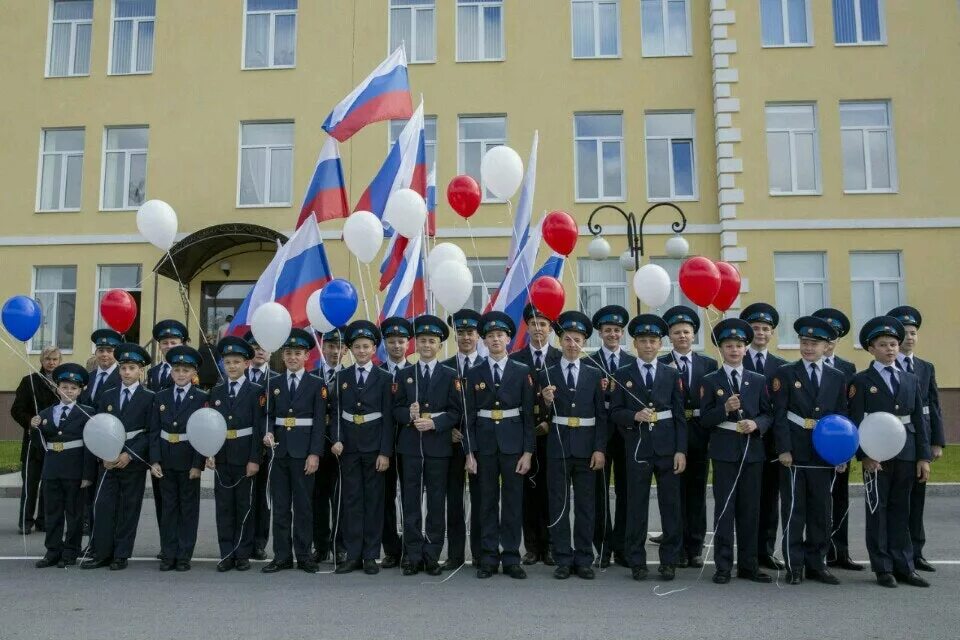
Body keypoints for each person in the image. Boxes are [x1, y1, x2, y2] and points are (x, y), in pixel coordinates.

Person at [849, 316, 930, 588]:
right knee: (878, 510)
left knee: (901, 509)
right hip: (876, 455)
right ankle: (883, 567)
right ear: (871, 349)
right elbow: (855, 420)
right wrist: (865, 455)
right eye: (883, 345)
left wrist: (923, 456)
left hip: (906, 451)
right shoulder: (861, 381)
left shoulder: (910, 379)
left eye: (894, 344)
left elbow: (919, 419)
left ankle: (905, 565)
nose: (890, 349)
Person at [609, 314, 687, 582]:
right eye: (643, 341)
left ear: (660, 343)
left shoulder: (671, 373)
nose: (648, 345)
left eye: (653, 340)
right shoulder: (622, 374)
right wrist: (633, 416)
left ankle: (669, 561)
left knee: (670, 507)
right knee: (636, 507)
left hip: (667, 448)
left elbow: (679, 416)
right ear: (635, 343)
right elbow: (615, 411)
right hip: (638, 448)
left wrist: (681, 451)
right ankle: (637, 561)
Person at [771, 317, 846, 585]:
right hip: (795, 453)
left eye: (815, 344)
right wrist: (784, 449)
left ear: (827, 347)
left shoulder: (838, 377)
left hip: (824, 454)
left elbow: (842, 419)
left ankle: (818, 563)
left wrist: (841, 454)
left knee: (820, 511)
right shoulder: (786, 373)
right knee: (794, 511)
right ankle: (795, 565)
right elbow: (779, 415)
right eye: (804, 342)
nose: (808, 348)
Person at [699, 318, 774, 584]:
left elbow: (768, 414)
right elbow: (704, 419)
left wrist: (756, 424)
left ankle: (748, 565)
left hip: (751, 453)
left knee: (750, 510)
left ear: (746, 349)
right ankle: (722, 566)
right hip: (724, 453)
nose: (734, 350)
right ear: (721, 350)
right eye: (729, 346)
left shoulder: (758, 379)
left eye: (739, 345)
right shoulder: (710, 380)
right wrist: (725, 410)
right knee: (725, 509)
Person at [392, 315, 464, 576]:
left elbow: (456, 412)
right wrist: (408, 415)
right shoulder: (405, 374)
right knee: (410, 502)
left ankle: (432, 554)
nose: (426, 345)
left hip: (438, 448)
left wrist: (436, 423)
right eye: (422, 340)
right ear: (416, 343)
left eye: (431, 341)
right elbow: (395, 410)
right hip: (410, 448)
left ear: (439, 344)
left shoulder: (449, 375)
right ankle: (412, 555)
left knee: (436, 503)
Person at [537, 311, 606, 580]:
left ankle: (584, 558)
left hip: (587, 448)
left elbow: (601, 415)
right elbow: (541, 417)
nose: (572, 344)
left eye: (577, 339)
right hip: (558, 447)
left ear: (584, 341)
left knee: (586, 505)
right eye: (567, 339)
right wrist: (544, 401)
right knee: (559, 504)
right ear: (561, 340)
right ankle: (563, 558)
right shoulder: (547, 372)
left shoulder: (593, 373)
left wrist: (599, 448)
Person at [466, 311, 533, 580]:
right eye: (490, 336)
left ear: (508, 338)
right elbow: (468, 416)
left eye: (500, 335)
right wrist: (469, 452)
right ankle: (489, 557)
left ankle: (511, 557)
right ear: (484, 341)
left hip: (513, 445)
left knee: (513, 502)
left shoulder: (522, 371)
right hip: (484, 447)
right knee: (487, 501)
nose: (496, 339)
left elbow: (528, 415)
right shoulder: (474, 373)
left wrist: (528, 452)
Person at [330, 320, 395, 575]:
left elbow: (388, 419)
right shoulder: (341, 377)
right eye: (356, 347)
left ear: (374, 348)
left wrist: (384, 452)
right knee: (352, 501)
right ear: (350, 349)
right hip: (348, 448)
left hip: (374, 447)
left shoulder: (384, 378)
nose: (361, 351)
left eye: (366, 346)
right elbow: (335, 412)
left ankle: (371, 555)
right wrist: (336, 438)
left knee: (374, 502)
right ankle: (353, 554)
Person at [82, 344, 154, 571]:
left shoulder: (148, 397)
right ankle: (102, 552)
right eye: (123, 368)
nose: (126, 372)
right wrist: (104, 454)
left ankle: (121, 554)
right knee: (104, 506)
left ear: (140, 371)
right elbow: (101, 427)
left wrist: (130, 455)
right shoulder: (108, 395)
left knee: (127, 508)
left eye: (131, 368)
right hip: (109, 460)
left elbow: (149, 432)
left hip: (131, 461)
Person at [261, 329, 326, 574]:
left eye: (297, 353)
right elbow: (267, 415)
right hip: (279, 453)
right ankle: (282, 556)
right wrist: (267, 432)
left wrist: (314, 454)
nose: (292, 357)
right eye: (288, 353)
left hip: (303, 454)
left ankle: (304, 555)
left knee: (303, 507)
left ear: (306, 356)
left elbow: (319, 422)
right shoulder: (273, 383)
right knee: (280, 507)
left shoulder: (316, 384)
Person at [658, 305, 718, 568]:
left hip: (700, 433)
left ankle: (694, 547)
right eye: (676, 332)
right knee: (675, 493)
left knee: (696, 492)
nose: (682, 336)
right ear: (669, 337)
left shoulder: (709, 364)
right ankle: (677, 546)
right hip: (671, 434)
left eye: (686, 332)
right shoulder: (660, 364)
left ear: (694, 335)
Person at [888, 305, 944, 574]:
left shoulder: (925, 367)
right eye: (904, 334)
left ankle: (916, 552)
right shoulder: (887, 366)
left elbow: (933, 407)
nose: (909, 338)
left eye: (913, 333)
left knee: (917, 500)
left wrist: (936, 442)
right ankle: (896, 552)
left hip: (919, 439)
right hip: (894, 441)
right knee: (897, 501)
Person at [509, 304, 561, 566]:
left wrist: (549, 422)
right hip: (524, 437)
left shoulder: (561, 357)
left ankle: (551, 545)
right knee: (528, 492)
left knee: (551, 491)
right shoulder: (516, 359)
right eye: (533, 324)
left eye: (543, 324)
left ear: (550, 328)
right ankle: (531, 546)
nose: (538, 329)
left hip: (553, 437)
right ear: (526, 328)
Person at [207, 336, 264, 572]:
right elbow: (210, 426)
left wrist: (254, 459)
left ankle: (242, 554)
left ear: (246, 364)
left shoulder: (255, 392)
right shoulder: (217, 391)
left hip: (244, 456)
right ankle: (226, 553)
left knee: (244, 507)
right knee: (224, 508)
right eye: (228, 362)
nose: (232, 366)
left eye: (236, 362)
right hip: (222, 457)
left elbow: (258, 428)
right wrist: (209, 453)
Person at [583, 305, 634, 568]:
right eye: (607, 331)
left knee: (626, 492)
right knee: (599, 493)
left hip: (626, 435)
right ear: (599, 334)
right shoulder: (587, 362)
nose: (612, 334)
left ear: (622, 333)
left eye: (616, 330)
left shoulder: (632, 362)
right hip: (599, 436)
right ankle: (602, 547)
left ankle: (623, 547)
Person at [148, 345, 208, 571]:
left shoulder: (201, 397)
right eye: (177, 370)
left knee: (188, 509)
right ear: (171, 372)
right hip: (165, 460)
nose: (181, 374)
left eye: (186, 370)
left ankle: (184, 555)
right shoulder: (160, 397)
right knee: (168, 509)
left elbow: (203, 433)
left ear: (194, 373)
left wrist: (197, 464)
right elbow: (154, 431)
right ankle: (168, 554)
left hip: (188, 460)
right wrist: (154, 461)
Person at [812, 307, 863, 572]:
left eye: (834, 338)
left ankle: (840, 552)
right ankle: (818, 552)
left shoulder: (847, 368)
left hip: (839, 444)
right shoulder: (802, 368)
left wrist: (847, 449)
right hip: (812, 444)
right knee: (817, 502)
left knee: (839, 498)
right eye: (825, 337)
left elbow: (850, 409)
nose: (829, 343)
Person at [30, 363, 95, 568]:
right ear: (57, 388)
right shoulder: (46, 413)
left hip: (75, 470)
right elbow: (40, 444)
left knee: (74, 514)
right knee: (52, 512)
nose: (68, 391)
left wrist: (87, 474)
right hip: (52, 469)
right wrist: (34, 427)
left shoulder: (87, 413)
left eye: (73, 388)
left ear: (81, 390)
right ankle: (52, 551)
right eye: (65, 387)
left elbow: (90, 446)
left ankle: (70, 551)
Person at [739, 302, 787, 572]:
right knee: (746, 500)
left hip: (770, 444)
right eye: (755, 328)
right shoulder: (735, 359)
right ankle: (746, 553)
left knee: (770, 500)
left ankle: (766, 550)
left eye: (765, 328)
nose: (760, 332)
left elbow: (780, 410)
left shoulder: (782, 367)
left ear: (772, 333)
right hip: (742, 442)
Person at [441, 309, 483, 569]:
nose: (466, 337)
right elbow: (439, 405)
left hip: (480, 445)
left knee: (481, 499)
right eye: (461, 333)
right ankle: (455, 554)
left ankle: (479, 553)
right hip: (451, 443)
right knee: (453, 499)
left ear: (478, 335)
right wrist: (448, 429)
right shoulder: (445, 368)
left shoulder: (487, 367)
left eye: (470, 332)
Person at [10, 346, 60, 534]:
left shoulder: (64, 383)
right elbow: (16, 410)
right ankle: (26, 521)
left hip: (54, 442)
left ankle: (43, 520)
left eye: (55, 359)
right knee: (30, 483)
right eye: (48, 359)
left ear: (59, 361)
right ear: (41, 360)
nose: (51, 362)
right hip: (33, 442)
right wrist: (29, 420)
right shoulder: (29, 382)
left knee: (49, 484)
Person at [80, 328, 123, 536]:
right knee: (88, 488)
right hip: (88, 444)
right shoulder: (88, 378)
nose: (104, 354)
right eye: (101, 350)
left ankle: (104, 537)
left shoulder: (123, 377)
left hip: (111, 443)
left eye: (109, 350)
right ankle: (89, 527)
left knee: (106, 496)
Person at [312, 326, 348, 564]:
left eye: (339, 347)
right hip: (316, 446)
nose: (334, 351)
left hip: (342, 446)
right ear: (322, 348)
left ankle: (340, 545)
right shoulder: (312, 377)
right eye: (330, 346)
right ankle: (321, 546)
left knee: (340, 498)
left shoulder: (350, 376)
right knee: (318, 498)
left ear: (345, 350)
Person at [379, 316, 412, 569]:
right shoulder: (377, 373)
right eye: (392, 341)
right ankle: (391, 548)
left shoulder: (415, 372)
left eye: (401, 341)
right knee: (386, 497)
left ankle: (412, 547)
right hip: (381, 446)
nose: (397, 346)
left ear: (408, 344)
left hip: (411, 444)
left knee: (411, 498)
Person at [244, 330, 276, 560]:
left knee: (263, 498)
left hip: (265, 449)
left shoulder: (276, 379)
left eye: (264, 346)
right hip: (240, 447)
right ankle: (242, 541)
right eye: (255, 346)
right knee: (242, 497)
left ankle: (259, 542)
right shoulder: (235, 375)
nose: (260, 350)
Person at [145, 320, 188, 391]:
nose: (169, 346)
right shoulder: (152, 372)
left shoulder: (187, 371)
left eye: (173, 343)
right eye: (165, 343)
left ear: (181, 345)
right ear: (159, 346)